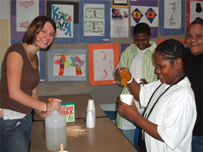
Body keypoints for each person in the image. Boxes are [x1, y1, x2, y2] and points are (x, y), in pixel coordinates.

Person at [117, 39, 197, 152]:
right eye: (156, 66)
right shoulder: (164, 83)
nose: (157, 71)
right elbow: (142, 94)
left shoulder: (183, 96)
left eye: (161, 66)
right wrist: (129, 78)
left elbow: (167, 135)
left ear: (177, 63)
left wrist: (136, 117)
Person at [0, 16, 62, 152]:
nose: (48, 37)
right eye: (43, 31)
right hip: (9, 121)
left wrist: (42, 113)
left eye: (51, 34)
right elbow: (14, 93)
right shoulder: (16, 52)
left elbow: (32, 91)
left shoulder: (34, 57)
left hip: (26, 118)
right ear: (33, 30)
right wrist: (46, 106)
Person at [114, 22, 157, 146]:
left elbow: (163, 82)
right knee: (125, 143)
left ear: (149, 36)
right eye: (137, 40)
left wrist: (149, 85)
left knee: (149, 143)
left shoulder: (156, 52)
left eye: (143, 40)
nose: (140, 43)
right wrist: (118, 74)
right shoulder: (129, 51)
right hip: (129, 99)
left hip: (149, 103)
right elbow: (120, 80)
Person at [185, 17, 203, 152]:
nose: (193, 40)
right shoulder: (182, 58)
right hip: (183, 131)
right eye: (190, 36)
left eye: (199, 36)